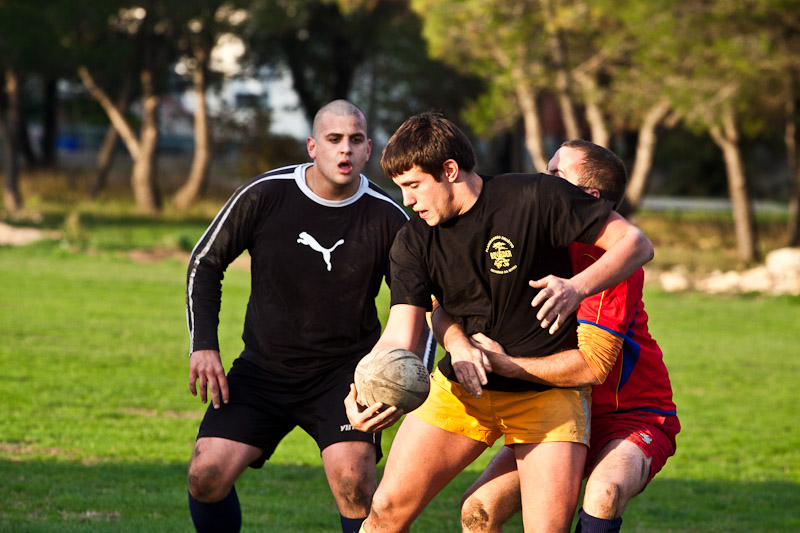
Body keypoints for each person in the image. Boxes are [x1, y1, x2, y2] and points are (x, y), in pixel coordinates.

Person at [344, 113, 654, 532]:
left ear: (449, 170)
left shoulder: (537, 197)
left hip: (547, 397)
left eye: (414, 185)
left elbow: (635, 243)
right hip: (462, 390)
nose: (408, 201)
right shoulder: (414, 240)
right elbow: (401, 333)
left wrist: (576, 287)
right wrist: (365, 387)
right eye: (401, 188)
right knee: (385, 510)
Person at [184, 99, 435, 533]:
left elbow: (425, 305)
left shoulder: (389, 216)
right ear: (312, 146)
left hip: (344, 377)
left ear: (369, 149)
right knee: (205, 474)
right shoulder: (265, 194)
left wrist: (413, 376)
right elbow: (205, 263)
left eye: (355, 141)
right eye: (334, 140)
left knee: (355, 484)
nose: (345, 151)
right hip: (263, 369)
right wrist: (204, 345)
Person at [455, 140, 680, 533]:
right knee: (478, 510)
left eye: (556, 175)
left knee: (604, 491)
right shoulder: (534, 239)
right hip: (557, 409)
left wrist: (506, 365)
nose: (542, 181)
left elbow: (593, 366)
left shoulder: (610, 262)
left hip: (629, 417)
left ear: (587, 197)